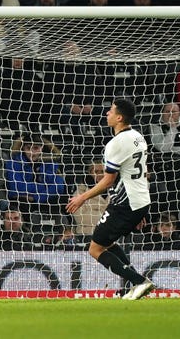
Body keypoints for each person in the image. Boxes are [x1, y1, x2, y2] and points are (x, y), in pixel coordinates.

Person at [66, 98, 155, 300]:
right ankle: (135, 283)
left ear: (119, 117)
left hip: (125, 203)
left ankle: (140, 282)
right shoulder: (138, 137)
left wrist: (82, 198)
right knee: (107, 242)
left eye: (110, 111)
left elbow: (108, 181)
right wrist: (138, 211)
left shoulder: (116, 143)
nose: (107, 113)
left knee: (95, 248)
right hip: (139, 201)